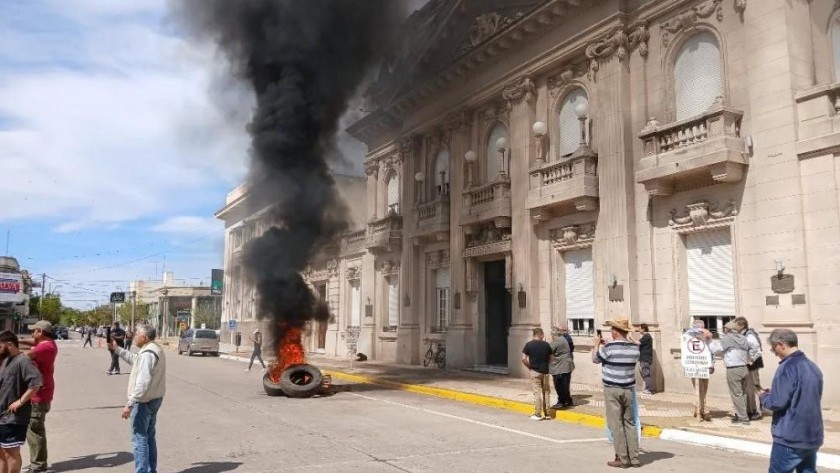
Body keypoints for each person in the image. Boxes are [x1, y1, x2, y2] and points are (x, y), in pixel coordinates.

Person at [759, 329, 823, 473]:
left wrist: (764, 396)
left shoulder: (787, 367)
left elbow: (777, 402)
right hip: (811, 435)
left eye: (773, 348)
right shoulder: (813, 367)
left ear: (781, 344)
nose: (774, 352)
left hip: (790, 437)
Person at [109, 324, 166, 473]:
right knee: (148, 436)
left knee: (139, 439)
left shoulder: (148, 353)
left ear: (144, 337)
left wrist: (130, 403)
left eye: (136, 334)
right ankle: (150, 470)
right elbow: (136, 360)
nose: (133, 336)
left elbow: (143, 382)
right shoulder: (152, 349)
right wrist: (117, 349)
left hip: (144, 401)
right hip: (154, 398)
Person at [592, 318, 640, 468]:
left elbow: (595, 359)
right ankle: (634, 457)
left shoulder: (610, 348)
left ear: (614, 331)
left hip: (612, 388)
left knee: (616, 424)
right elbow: (630, 347)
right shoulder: (634, 348)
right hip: (628, 389)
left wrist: (596, 345)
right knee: (630, 423)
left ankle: (622, 458)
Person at [0, 331, 43, 473]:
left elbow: (36, 383)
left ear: (9, 344)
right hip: (2, 415)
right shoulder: (7, 360)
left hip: (14, 417)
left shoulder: (23, 361)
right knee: (2, 453)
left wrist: (20, 401)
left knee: (11, 452)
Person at [18, 321, 58, 473]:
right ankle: (39, 462)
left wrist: (9, 348)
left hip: (39, 395)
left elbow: (24, 355)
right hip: (41, 392)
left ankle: (39, 465)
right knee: (34, 429)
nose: (31, 334)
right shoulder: (48, 343)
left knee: (35, 431)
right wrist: (18, 341)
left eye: (33, 331)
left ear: (40, 331)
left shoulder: (45, 347)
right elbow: (32, 342)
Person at [707, 320, 751, 424]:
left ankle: (743, 418)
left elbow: (715, 350)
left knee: (736, 394)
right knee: (743, 394)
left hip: (733, 369)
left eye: (725, 328)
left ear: (728, 329)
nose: (723, 330)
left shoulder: (728, 338)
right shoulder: (743, 338)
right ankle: (740, 414)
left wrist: (709, 339)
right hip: (744, 368)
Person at [733, 316, 763, 421]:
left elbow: (757, 349)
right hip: (744, 365)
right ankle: (748, 410)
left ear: (742, 325)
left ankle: (756, 411)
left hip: (751, 366)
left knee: (753, 388)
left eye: (736, 325)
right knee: (746, 389)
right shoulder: (741, 334)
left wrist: (751, 359)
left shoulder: (749, 335)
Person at [521, 327, 553, 420]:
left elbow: (523, 358)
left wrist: (530, 367)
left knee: (537, 392)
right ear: (541, 334)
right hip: (545, 372)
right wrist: (547, 365)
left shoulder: (529, 345)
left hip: (535, 371)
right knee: (546, 392)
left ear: (534, 335)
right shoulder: (547, 345)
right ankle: (547, 414)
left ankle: (538, 414)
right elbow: (551, 358)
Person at [686, 320, 713, 422]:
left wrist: (712, 364)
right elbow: (688, 334)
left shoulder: (707, 338)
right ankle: (701, 411)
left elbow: (711, 350)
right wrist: (702, 330)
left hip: (705, 365)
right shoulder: (689, 334)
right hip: (693, 365)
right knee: (698, 389)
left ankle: (699, 408)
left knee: (704, 389)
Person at [549, 326, 574, 409]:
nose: (551, 336)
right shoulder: (563, 339)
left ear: (554, 334)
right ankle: (568, 400)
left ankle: (561, 402)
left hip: (560, 366)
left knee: (559, 385)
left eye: (551, 334)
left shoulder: (556, 341)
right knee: (565, 384)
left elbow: (548, 350)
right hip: (566, 365)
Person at [637, 324, 655, 395]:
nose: (639, 330)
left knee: (646, 374)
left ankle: (648, 390)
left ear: (643, 329)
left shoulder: (646, 336)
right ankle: (647, 389)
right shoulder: (646, 336)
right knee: (645, 373)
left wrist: (630, 338)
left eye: (640, 329)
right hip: (644, 358)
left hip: (645, 358)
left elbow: (638, 343)